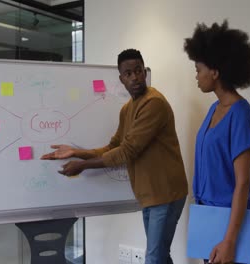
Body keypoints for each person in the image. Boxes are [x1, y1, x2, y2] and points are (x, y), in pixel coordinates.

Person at [41, 49, 188, 264]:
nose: (134, 77)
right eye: (128, 74)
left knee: (154, 258)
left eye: (138, 71)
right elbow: (114, 146)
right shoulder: (128, 109)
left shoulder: (153, 103)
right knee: (160, 256)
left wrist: (84, 166)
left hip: (166, 193)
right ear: (121, 79)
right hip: (150, 194)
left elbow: (128, 151)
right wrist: (77, 153)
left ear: (144, 72)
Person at [184, 21, 250, 264]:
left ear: (215, 71)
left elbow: (243, 182)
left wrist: (229, 240)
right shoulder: (215, 109)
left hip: (228, 221)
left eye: (198, 69)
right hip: (209, 216)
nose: (196, 76)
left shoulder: (240, 114)